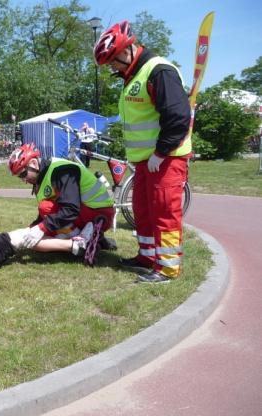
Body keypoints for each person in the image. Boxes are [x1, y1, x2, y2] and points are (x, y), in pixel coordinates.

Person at [94, 20, 191, 283]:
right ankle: (147, 257)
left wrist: (160, 153)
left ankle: (167, 268)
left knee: (164, 211)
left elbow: (179, 116)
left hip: (166, 158)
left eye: (113, 60)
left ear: (127, 51)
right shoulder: (132, 76)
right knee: (143, 210)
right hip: (145, 161)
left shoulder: (158, 70)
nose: (112, 67)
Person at [7, 143, 116, 255]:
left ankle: (82, 244)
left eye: (23, 174)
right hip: (87, 211)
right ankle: (96, 238)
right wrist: (31, 229)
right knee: (45, 212)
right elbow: (48, 212)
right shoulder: (43, 176)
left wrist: (41, 228)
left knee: (46, 210)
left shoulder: (62, 171)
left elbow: (70, 209)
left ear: (34, 163)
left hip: (99, 214)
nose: (24, 180)